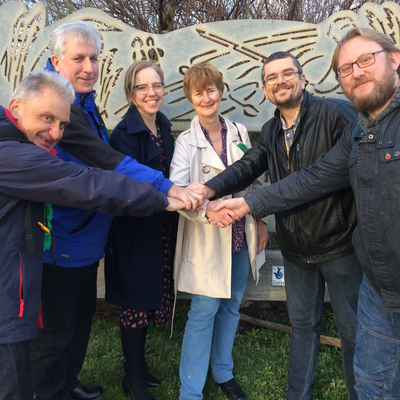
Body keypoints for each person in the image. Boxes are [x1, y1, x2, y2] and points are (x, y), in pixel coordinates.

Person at [209, 27, 400, 399]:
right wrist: (216, 190)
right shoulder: (273, 131)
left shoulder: (339, 114)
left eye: (366, 60)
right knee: (309, 331)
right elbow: (289, 174)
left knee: (354, 335)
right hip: (305, 253)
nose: (280, 82)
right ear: (264, 89)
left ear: (303, 78)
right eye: (271, 78)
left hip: (341, 247)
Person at [30, 22, 206, 400]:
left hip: (87, 240)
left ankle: (67, 384)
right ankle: (50, 390)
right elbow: (107, 161)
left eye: (94, 58)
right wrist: (167, 188)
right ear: (57, 60)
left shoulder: (83, 100)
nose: (88, 67)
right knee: (55, 333)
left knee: (79, 322)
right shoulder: (56, 103)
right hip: (60, 241)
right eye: (78, 58)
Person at [0, 71, 183, 400]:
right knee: (22, 378)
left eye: (63, 124)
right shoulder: (13, 155)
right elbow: (85, 181)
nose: (56, 133)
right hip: (13, 296)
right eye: (47, 118)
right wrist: (165, 196)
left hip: (28, 277)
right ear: (15, 106)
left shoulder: (26, 139)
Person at [170, 62, 268, 400]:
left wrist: (264, 218)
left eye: (211, 89)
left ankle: (223, 372)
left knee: (231, 305)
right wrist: (208, 212)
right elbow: (177, 192)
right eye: (199, 92)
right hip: (207, 238)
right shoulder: (186, 142)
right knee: (203, 311)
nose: (207, 97)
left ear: (221, 91)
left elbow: (253, 178)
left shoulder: (240, 131)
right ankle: (191, 391)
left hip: (242, 232)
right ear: (190, 98)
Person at [105, 61, 178, 400]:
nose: (151, 93)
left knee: (150, 297)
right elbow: (126, 188)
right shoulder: (123, 135)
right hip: (135, 229)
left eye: (157, 85)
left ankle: (140, 367)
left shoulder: (162, 125)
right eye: (142, 87)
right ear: (130, 93)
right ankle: (132, 376)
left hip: (161, 227)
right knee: (135, 301)